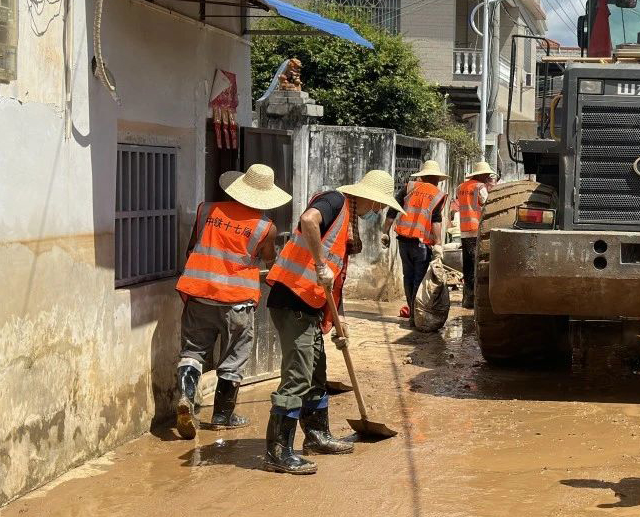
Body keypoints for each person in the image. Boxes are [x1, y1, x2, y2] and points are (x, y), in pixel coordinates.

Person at [263, 170, 402, 474]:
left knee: (316, 372)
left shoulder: (347, 224)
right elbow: (308, 220)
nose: (377, 210)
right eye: (377, 203)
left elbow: (334, 281)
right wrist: (319, 263)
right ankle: (277, 450)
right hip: (292, 297)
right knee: (298, 375)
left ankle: (316, 435)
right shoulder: (335, 201)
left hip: (310, 304)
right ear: (364, 195)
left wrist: (337, 322)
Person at [172, 165, 291, 440]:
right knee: (234, 357)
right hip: (237, 301)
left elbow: (192, 249)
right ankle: (223, 415)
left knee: (192, 351)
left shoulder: (206, 210)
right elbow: (269, 261)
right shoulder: (265, 228)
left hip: (199, 294)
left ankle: (187, 398)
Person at [382, 160, 447, 322]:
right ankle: (417, 316)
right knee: (419, 278)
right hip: (421, 244)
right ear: (436, 178)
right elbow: (436, 221)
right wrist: (438, 244)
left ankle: (412, 312)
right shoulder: (437, 194)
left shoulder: (409, 187)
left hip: (403, 241)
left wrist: (385, 232)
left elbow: (392, 209)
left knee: (408, 276)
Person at [453, 161, 496, 309]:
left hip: (464, 231)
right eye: (486, 175)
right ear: (481, 175)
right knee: (476, 265)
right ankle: (474, 299)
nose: (487, 177)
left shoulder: (461, 187)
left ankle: (467, 298)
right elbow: (487, 205)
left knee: (467, 266)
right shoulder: (480, 187)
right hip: (476, 229)